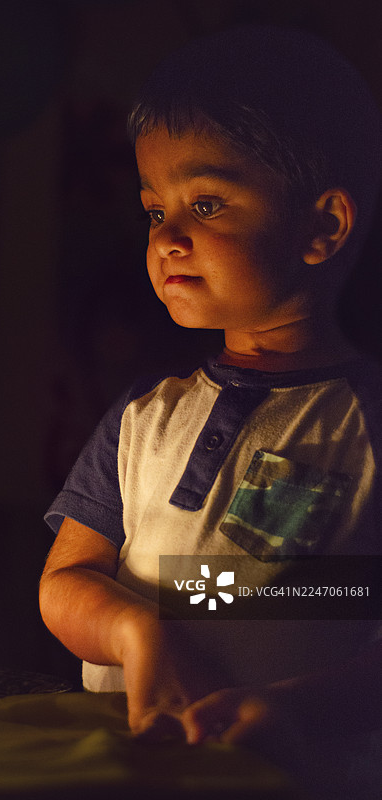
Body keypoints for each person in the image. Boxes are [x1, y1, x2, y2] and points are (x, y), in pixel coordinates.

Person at [39, 25, 382, 796]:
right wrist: (138, 630)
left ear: (322, 227)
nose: (167, 236)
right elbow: (67, 580)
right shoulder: (141, 417)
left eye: (205, 202)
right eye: (154, 209)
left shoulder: (366, 424)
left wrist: (289, 710)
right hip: (124, 768)